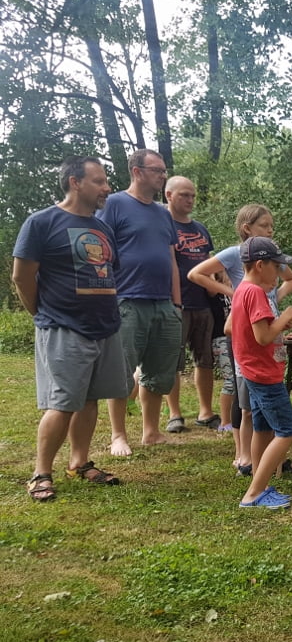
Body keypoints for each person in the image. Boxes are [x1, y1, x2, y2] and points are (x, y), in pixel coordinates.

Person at [12, 155, 131, 500]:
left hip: (104, 326)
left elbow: (109, 272)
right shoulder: (41, 222)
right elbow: (22, 276)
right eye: (98, 181)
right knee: (62, 402)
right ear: (75, 182)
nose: (106, 187)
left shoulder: (102, 228)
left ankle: (80, 462)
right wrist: (42, 313)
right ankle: (40, 473)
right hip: (64, 325)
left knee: (90, 399)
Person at [187, 204, 292, 475]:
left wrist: (275, 300)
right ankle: (245, 458)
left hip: (265, 333)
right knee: (248, 404)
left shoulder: (268, 262)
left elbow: (291, 280)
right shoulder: (239, 261)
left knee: (260, 411)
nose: (271, 230)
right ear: (246, 228)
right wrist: (232, 292)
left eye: (272, 225)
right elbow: (195, 274)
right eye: (264, 225)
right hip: (253, 343)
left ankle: (265, 467)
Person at [96, 148, 182, 456]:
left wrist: (177, 303)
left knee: (159, 372)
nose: (163, 175)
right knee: (121, 370)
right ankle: (118, 435)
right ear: (137, 171)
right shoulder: (115, 203)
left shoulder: (162, 211)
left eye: (163, 170)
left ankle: (151, 432)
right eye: (157, 170)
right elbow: (99, 252)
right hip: (126, 299)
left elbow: (171, 258)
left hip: (163, 303)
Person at [228, 236, 292, 509]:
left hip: (252, 372)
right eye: (276, 266)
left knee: (263, 429)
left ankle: (259, 486)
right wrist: (283, 320)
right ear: (260, 265)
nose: (279, 272)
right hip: (264, 375)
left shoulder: (241, 290)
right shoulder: (255, 292)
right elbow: (262, 337)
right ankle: (254, 494)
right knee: (287, 431)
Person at [163, 176, 219, 432]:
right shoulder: (163, 226)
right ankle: (174, 414)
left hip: (203, 303)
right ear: (169, 195)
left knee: (205, 359)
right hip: (176, 303)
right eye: (184, 195)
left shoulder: (200, 228)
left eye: (193, 195)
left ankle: (205, 412)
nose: (190, 200)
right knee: (173, 360)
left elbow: (208, 261)